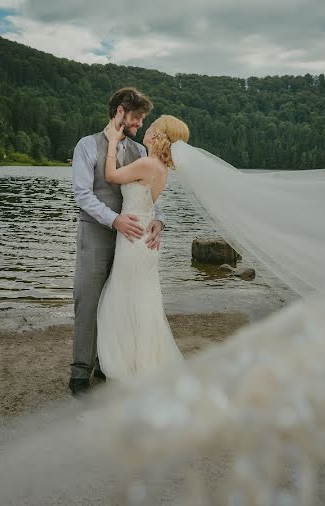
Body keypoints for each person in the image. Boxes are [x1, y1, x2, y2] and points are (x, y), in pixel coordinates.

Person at [68, 87, 165, 397]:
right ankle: (81, 371)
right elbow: (83, 195)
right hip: (96, 235)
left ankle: (108, 363)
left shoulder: (140, 153)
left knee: (120, 303)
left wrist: (158, 221)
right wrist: (114, 219)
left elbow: (150, 194)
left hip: (131, 243)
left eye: (141, 121)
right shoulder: (87, 145)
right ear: (120, 111)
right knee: (88, 301)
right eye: (136, 118)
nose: (138, 126)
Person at [94, 114, 190, 380]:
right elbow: (148, 204)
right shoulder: (160, 169)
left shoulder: (148, 164)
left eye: (153, 126)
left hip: (134, 241)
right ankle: (142, 360)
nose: (147, 128)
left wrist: (112, 141)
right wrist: (159, 220)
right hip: (144, 238)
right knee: (141, 301)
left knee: (122, 298)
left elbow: (111, 175)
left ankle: (129, 364)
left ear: (159, 136)